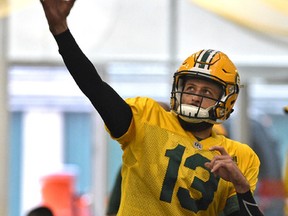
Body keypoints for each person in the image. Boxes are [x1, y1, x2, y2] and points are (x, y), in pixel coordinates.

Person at [39, 0, 264, 215]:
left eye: (206, 92)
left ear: (226, 101)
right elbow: (95, 89)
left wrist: (241, 186)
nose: (194, 97)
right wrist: (61, 32)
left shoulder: (240, 156)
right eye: (191, 87)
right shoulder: (148, 117)